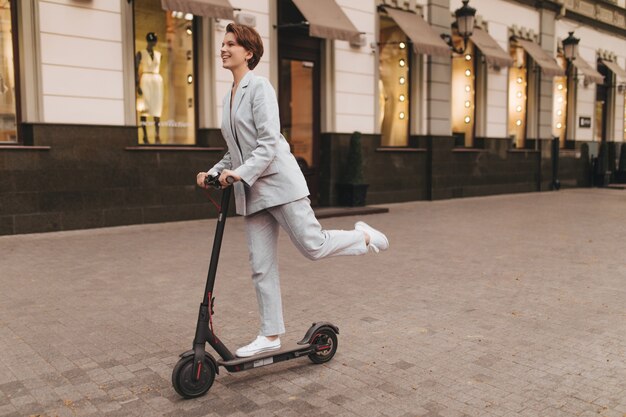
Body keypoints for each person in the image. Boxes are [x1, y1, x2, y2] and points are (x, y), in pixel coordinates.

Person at [196, 23, 389, 358]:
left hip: (280, 185)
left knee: (313, 246)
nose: (223, 49)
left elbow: (269, 142)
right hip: (252, 193)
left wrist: (238, 174)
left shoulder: (260, 88)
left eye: (230, 44)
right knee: (261, 265)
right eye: (222, 43)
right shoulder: (228, 97)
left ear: (249, 52)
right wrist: (213, 173)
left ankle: (364, 237)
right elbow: (235, 150)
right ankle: (270, 334)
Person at [135, 32, 163, 144]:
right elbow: (136, 70)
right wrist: (137, 85)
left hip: (156, 81)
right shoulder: (140, 53)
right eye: (151, 40)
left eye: (154, 40)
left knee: (157, 107)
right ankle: (145, 136)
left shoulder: (159, 54)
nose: (153, 43)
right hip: (145, 79)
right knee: (144, 108)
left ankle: (157, 135)